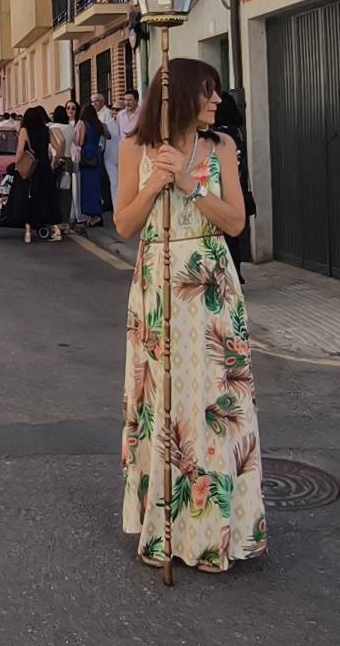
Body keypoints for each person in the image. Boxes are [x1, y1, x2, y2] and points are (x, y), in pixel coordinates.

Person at [114, 57, 262, 572]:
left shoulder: (222, 147)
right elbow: (125, 224)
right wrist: (158, 181)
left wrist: (193, 187)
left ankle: (221, 528)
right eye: (208, 91)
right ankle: (165, 528)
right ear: (178, 96)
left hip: (212, 286)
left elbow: (237, 222)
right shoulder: (136, 147)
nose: (218, 101)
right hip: (158, 286)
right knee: (166, 403)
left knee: (215, 407)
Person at [208, 90, 258, 265]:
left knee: (226, 236)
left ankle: (233, 272)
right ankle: (236, 271)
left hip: (225, 187)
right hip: (239, 183)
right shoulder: (237, 130)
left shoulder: (221, 136)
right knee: (233, 238)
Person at [17, 105, 66, 244]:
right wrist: (55, 161)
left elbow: (20, 151)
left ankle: (28, 232)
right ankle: (56, 230)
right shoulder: (46, 130)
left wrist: (16, 164)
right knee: (49, 198)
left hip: (32, 169)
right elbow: (59, 146)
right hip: (45, 168)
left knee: (30, 199)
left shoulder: (24, 131)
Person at [76, 103, 107, 227]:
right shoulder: (99, 124)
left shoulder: (83, 124)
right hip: (97, 155)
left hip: (87, 156)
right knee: (96, 186)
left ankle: (94, 216)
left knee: (87, 188)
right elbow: (108, 136)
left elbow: (81, 141)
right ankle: (97, 215)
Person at [50, 105, 79, 228]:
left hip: (56, 160)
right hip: (68, 161)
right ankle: (65, 221)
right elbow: (76, 142)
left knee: (54, 192)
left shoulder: (53, 127)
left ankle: (56, 221)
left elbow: (53, 145)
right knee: (66, 193)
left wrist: (54, 161)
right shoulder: (71, 128)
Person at [93, 92, 119, 213]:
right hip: (102, 148)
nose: (94, 104)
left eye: (96, 101)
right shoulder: (97, 113)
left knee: (108, 179)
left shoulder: (107, 113)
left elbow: (107, 132)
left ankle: (109, 202)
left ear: (102, 102)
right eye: (92, 102)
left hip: (108, 148)